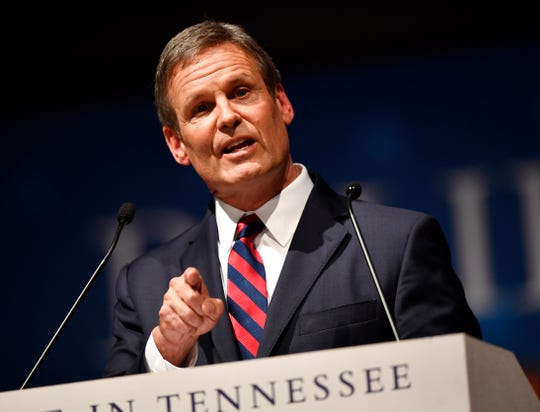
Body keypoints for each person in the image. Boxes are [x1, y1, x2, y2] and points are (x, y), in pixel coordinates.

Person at [103, 19, 482, 376]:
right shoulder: (144, 284)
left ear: (281, 102)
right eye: (201, 108)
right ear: (177, 145)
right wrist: (169, 351)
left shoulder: (393, 245)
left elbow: (456, 385)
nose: (227, 116)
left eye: (241, 92)